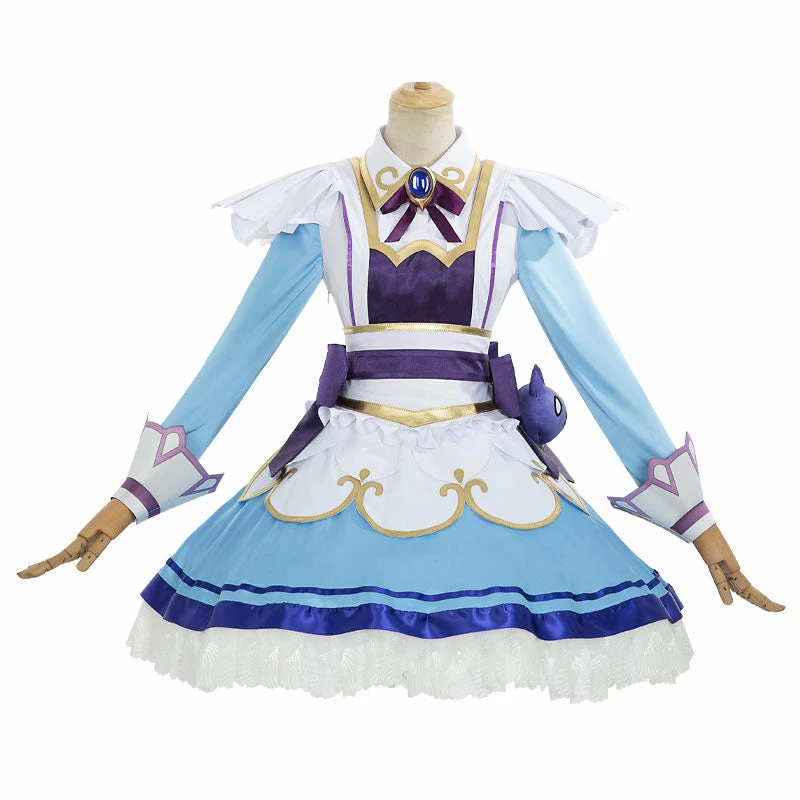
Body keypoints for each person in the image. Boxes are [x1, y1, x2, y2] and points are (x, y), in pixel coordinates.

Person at [18, 82, 783, 702]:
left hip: (493, 470)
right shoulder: (325, 199)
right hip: (340, 466)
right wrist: (128, 501)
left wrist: (699, 523)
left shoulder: (516, 203)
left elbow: (596, 361)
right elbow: (237, 355)